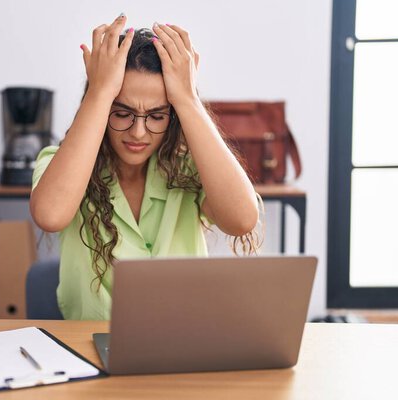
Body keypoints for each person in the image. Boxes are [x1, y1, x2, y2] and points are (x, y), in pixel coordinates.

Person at [30, 14, 261, 320]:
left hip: (184, 341)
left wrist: (188, 100)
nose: (138, 133)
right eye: (122, 113)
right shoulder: (58, 161)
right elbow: (50, 214)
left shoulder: (189, 166)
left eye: (156, 116)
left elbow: (242, 219)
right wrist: (99, 92)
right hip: (89, 343)